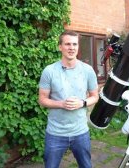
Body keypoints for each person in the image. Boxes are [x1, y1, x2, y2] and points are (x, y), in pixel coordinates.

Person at [38, 30, 99, 168]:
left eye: (74, 44)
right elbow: (42, 100)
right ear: (60, 47)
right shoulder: (49, 71)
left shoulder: (88, 70)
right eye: (67, 44)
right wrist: (61, 104)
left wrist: (82, 103)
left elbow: (95, 96)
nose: (71, 48)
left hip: (80, 132)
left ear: (78, 46)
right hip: (55, 133)